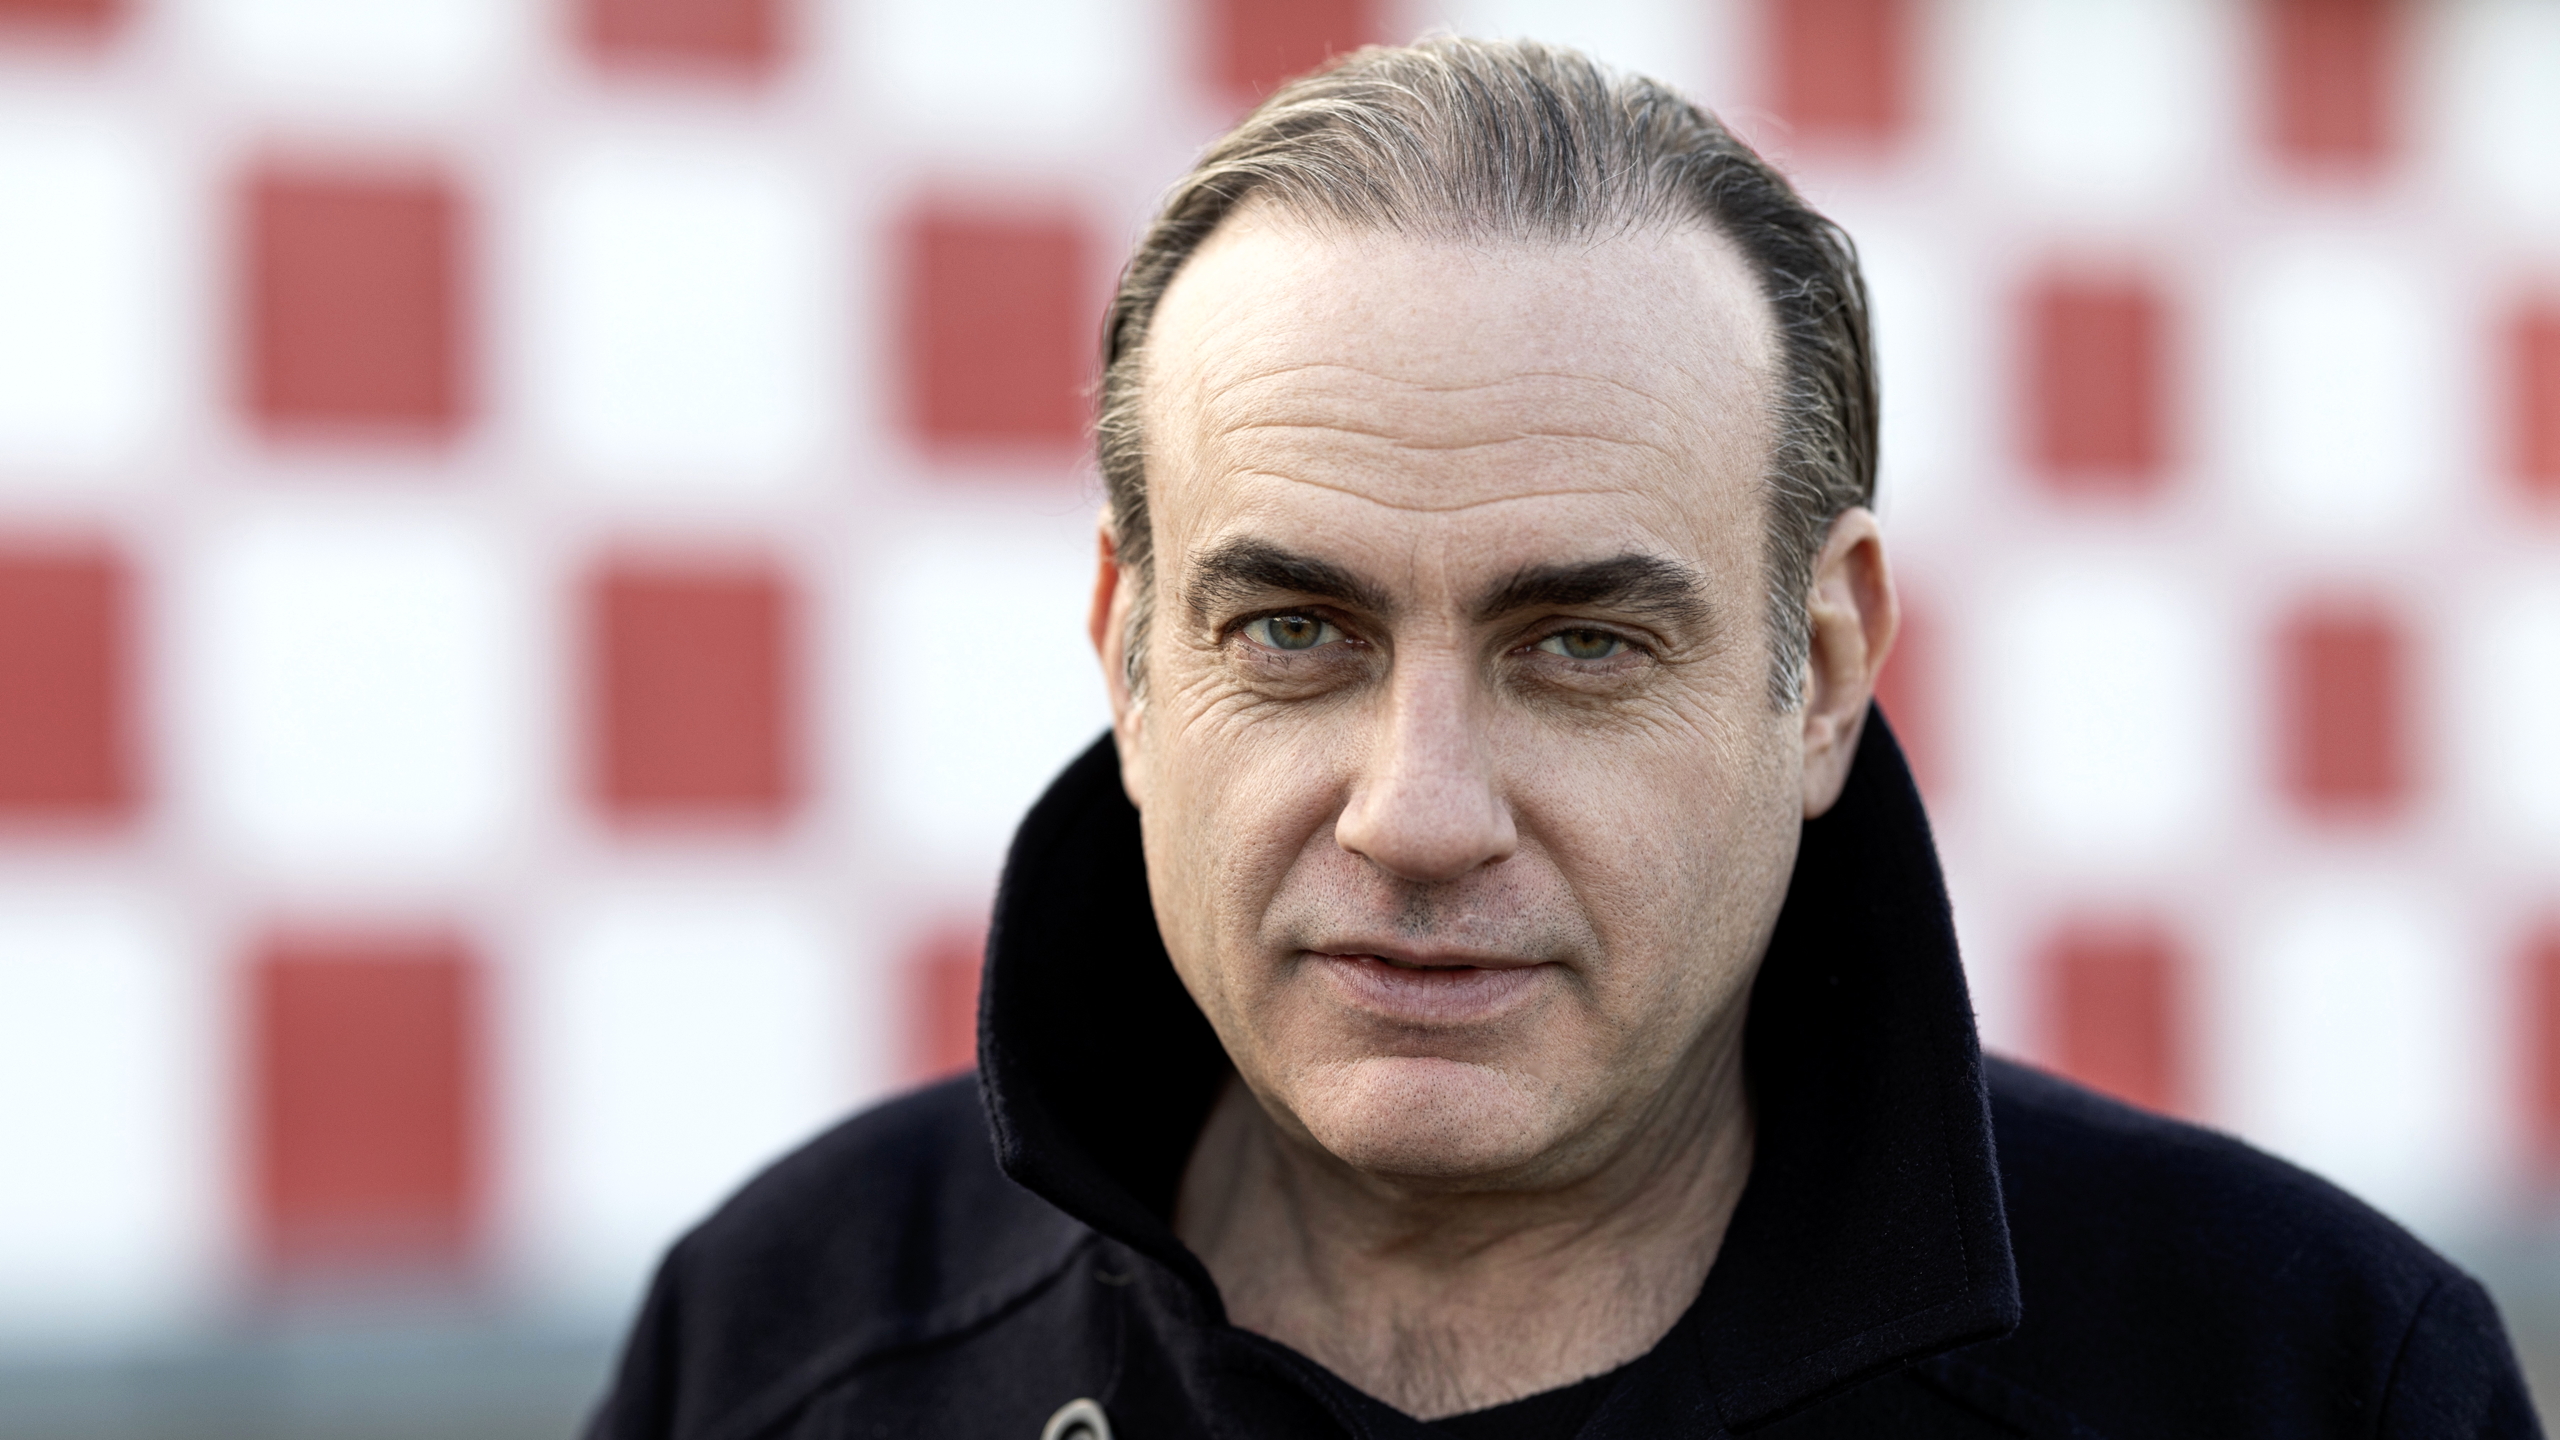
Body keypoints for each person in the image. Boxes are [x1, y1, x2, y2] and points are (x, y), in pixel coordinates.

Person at [588, 39, 2539, 1439]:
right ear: (1128, 655)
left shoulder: (2298, 1378)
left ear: (1824, 668)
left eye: (1582, 645)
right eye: (1294, 631)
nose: (1419, 813)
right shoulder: (788, 1343)